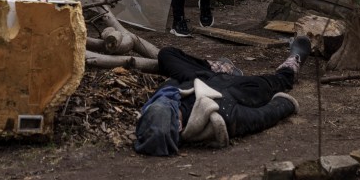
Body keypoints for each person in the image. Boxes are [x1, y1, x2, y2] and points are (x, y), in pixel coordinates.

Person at [133, 36, 312, 156]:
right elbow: (260, 117)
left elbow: (170, 85)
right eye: (170, 107)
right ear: (179, 126)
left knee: (166, 54)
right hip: (241, 89)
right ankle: (293, 62)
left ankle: (220, 67)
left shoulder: (159, 106)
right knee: (277, 81)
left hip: (201, 77)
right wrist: (285, 104)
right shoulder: (219, 116)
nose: (168, 100)